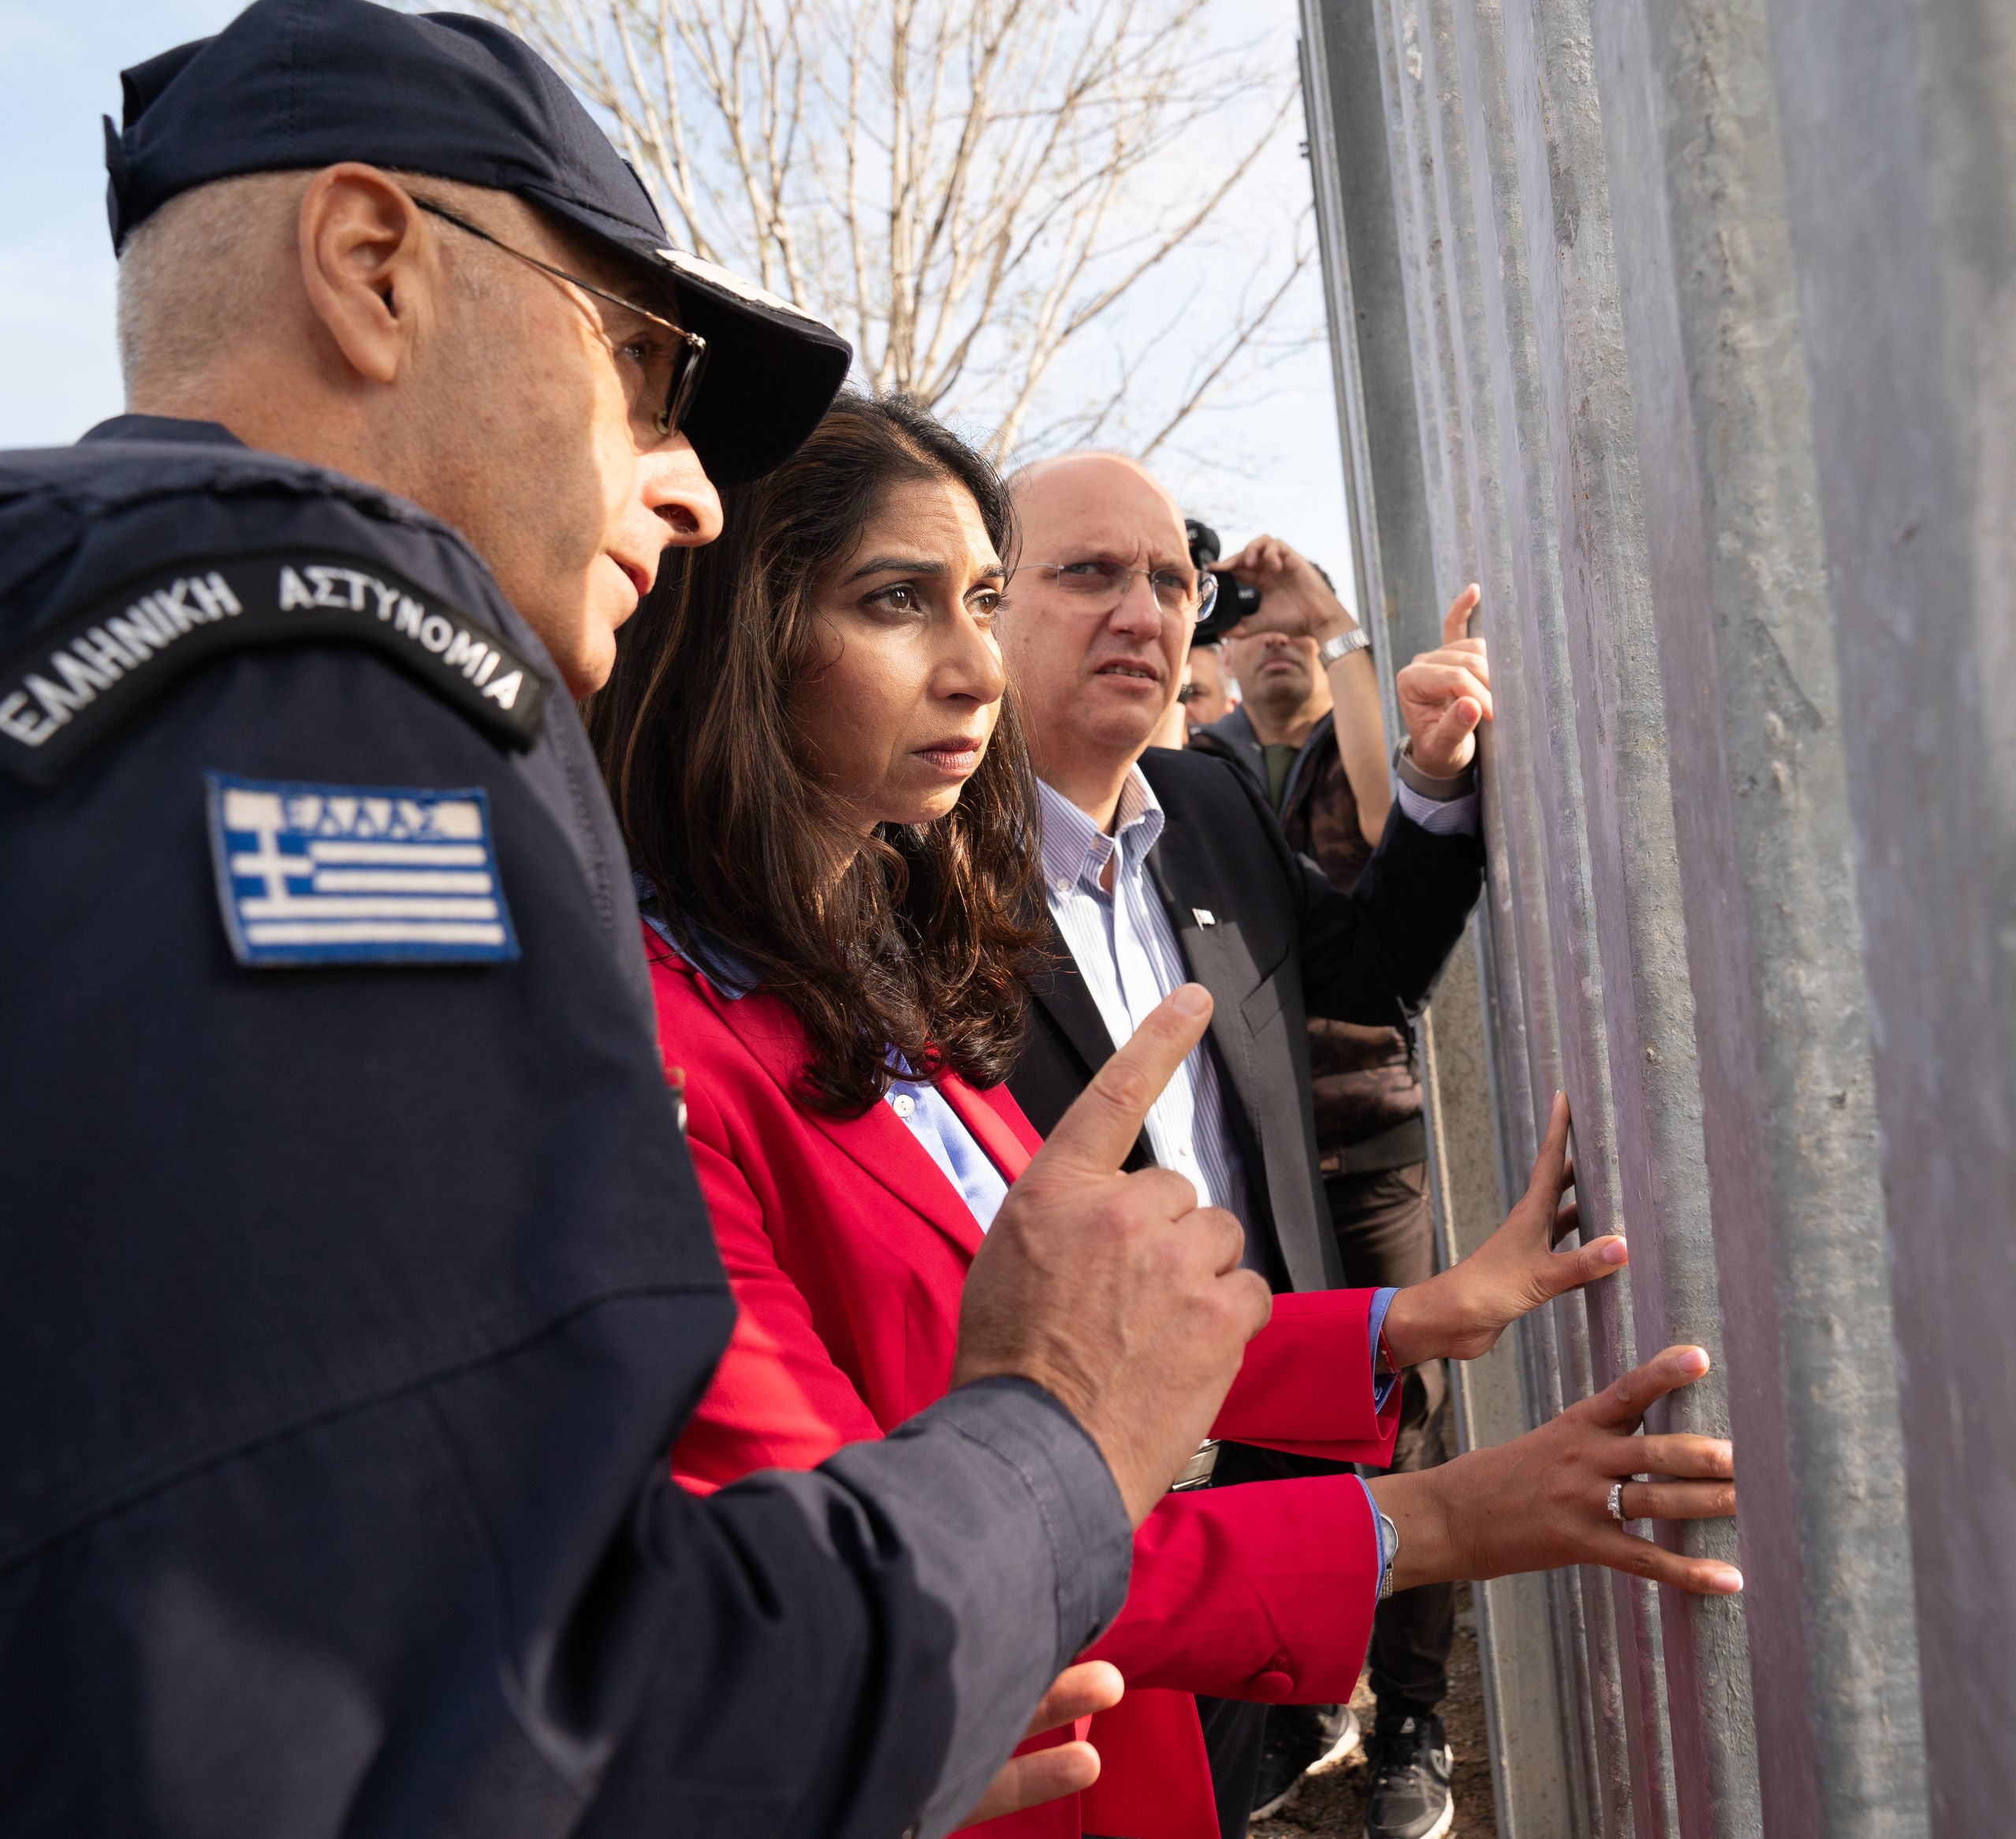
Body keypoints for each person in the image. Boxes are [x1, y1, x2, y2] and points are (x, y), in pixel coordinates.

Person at [0, 7, 1272, 1833]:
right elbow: (487, 1710)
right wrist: (1056, 1444)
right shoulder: (323, 659)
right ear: (374, 270)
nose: (684, 490)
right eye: (643, 371)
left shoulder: (77, 618)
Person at [588, 391, 1742, 1839]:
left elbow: (1072, 1320)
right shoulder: (649, 1057)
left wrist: (1405, 1321)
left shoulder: (884, 969)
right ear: (739, 635)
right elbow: (907, 1557)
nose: (972, 665)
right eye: (901, 601)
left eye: (986, 599)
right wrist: (1441, 1519)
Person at [992, 453, 1494, 1834]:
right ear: (989, 607)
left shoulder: (1209, 804)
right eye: (1089, 572)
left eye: (1171, 580)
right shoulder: (905, 869)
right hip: (1090, 1507)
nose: (1143, 613)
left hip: (1279, 1437)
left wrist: (1441, 783)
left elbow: (1374, 971)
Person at [1190, 545, 1475, 1837]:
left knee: (1404, 1423)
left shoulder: (1317, 758)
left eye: (1283, 628)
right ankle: (1302, 1702)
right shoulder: (1198, 778)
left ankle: (1413, 1719)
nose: (1269, 642)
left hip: (1362, 1149)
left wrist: (1343, 630)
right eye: (1244, 624)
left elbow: (1385, 857)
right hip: (1247, 1171)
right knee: (1265, 1439)